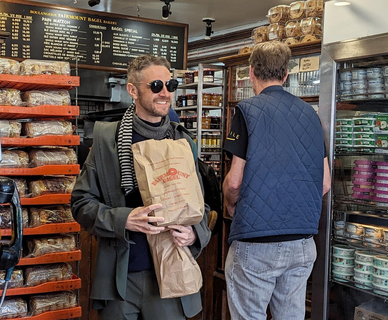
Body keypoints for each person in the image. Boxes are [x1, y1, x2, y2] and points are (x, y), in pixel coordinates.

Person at [71, 54, 211, 320]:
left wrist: (194, 233)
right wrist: (124, 219)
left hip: (170, 274)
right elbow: (80, 203)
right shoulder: (106, 141)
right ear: (132, 90)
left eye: (171, 85)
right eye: (156, 86)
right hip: (119, 279)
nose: (165, 93)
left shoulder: (183, 142)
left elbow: (201, 205)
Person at [222, 41, 331, 320]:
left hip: (255, 244)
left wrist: (231, 205)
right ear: (286, 75)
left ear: (250, 72)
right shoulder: (312, 115)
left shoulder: (246, 111)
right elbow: (325, 183)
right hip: (303, 245)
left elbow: (234, 182)